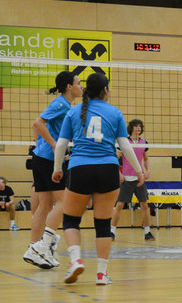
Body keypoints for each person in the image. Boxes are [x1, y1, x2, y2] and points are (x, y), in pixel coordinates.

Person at [53, 72, 143, 285]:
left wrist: (57, 168)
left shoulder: (74, 111)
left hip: (80, 168)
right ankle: (101, 274)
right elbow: (125, 145)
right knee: (103, 224)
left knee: (71, 220)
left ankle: (75, 260)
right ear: (105, 90)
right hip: (108, 169)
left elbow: (61, 144)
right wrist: (138, 170)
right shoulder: (114, 112)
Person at [25, 70, 82, 270]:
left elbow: (38, 127)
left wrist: (45, 145)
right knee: (65, 201)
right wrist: (53, 144)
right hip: (48, 159)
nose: (81, 86)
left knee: (45, 205)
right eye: (78, 83)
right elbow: (37, 123)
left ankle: (34, 249)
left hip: (42, 158)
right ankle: (42, 246)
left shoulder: (65, 105)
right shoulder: (61, 104)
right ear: (69, 87)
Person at [110, 119, 154, 241]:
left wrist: (148, 170)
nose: (138, 128)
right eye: (136, 126)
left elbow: (146, 159)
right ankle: (112, 232)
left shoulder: (144, 142)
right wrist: (118, 173)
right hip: (126, 179)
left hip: (139, 178)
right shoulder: (124, 142)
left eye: (140, 126)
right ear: (131, 128)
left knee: (144, 205)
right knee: (119, 205)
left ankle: (147, 232)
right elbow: (115, 158)